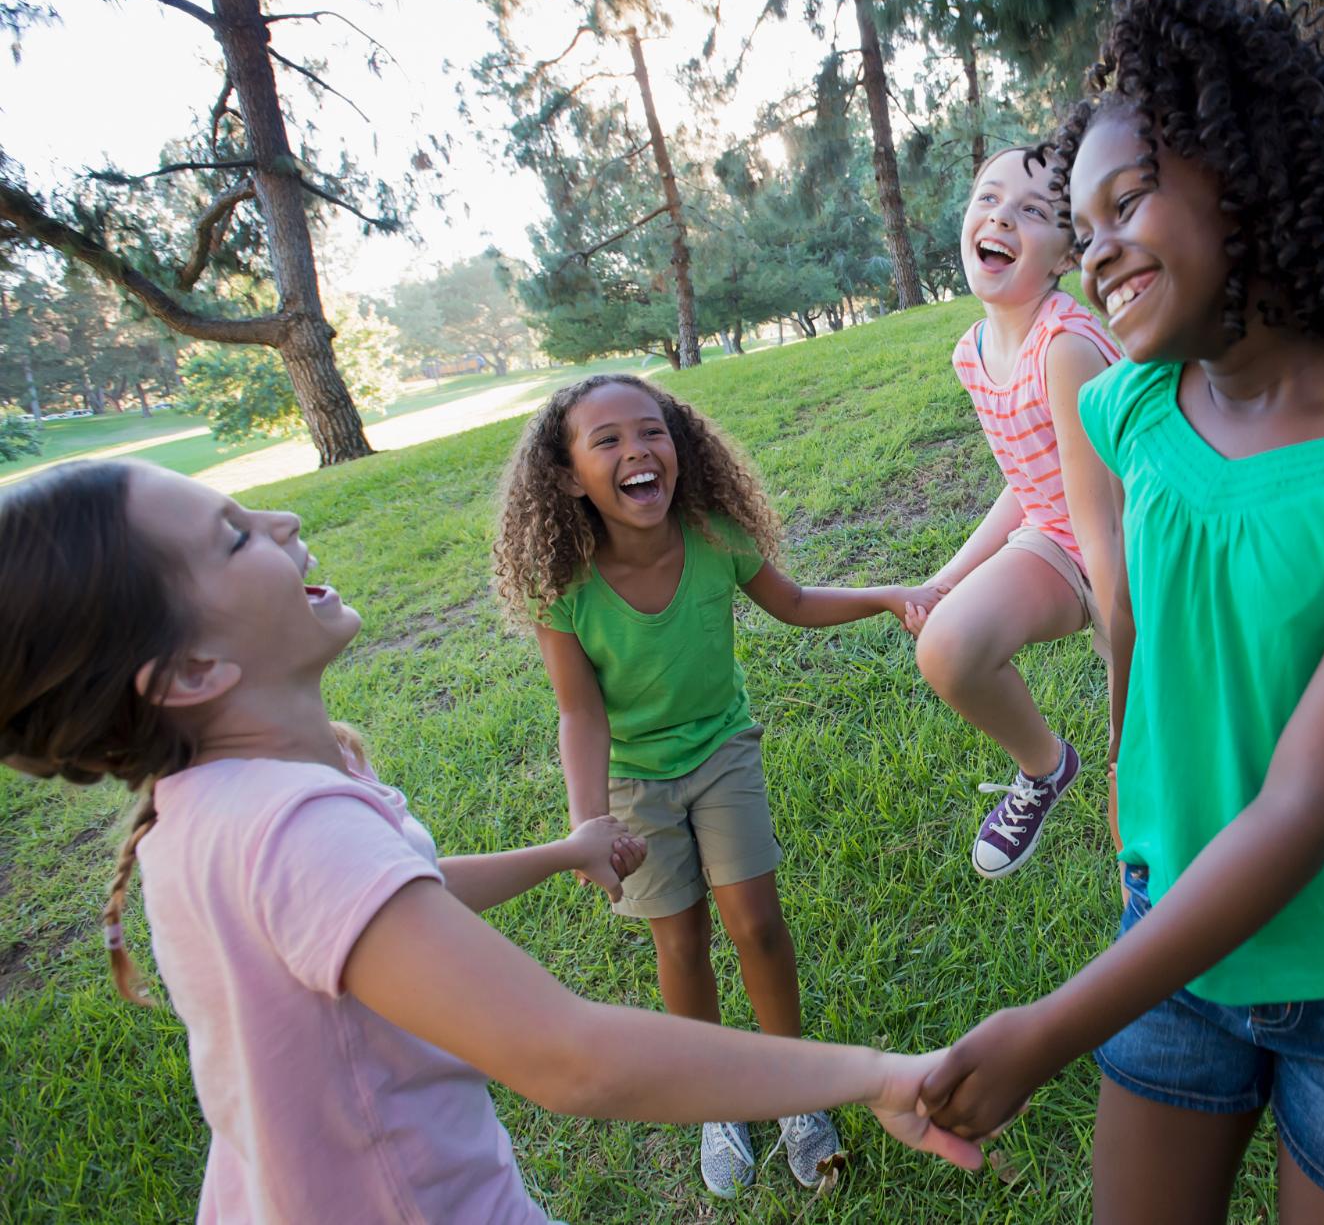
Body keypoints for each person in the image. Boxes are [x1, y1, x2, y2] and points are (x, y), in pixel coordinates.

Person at [919, 0, 1324, 1225]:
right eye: (1077, 223)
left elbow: (1311, 799)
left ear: (1248, 175)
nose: (1093, 246)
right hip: (1171, 932)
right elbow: (1129, 616)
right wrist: (1124, 787)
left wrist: (1053, 1025)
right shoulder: (1127, 409)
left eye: (1125, 199)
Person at [0, 460, 978, 1225]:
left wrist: (558, 852)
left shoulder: (203, 808)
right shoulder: (294, 828)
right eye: (232, 537)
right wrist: (877, 1075)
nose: (284, 524)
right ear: (188, 670)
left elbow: (387, 901)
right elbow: (572, 1059)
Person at [492, 373, 942, 1196]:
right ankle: (714, 1099)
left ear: (680, 444)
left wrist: (887, 595)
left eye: (652, 431)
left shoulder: (714, 533)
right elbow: (580, 714)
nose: (637, 451)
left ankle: (800, 1091)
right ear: (566, 477)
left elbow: (795, 602)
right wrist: (586, 822)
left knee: (757, 924)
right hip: (634, 777)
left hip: (722, 749)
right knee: (681, 940)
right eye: (608, 441)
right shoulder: (567, 586)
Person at [907, 145, 1124, 879]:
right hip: (1062, 539)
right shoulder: (973, 352)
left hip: (1135, 550)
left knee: (1170, 781)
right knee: (946, 645)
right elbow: (1030, 479)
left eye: (1033, 211)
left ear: (1067, 253)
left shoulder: (1065, 347)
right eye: (988, 199)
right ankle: (1046, 765)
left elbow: (1106, 526)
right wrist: (946, 577)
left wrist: (1126, 721)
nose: (1002, 215)